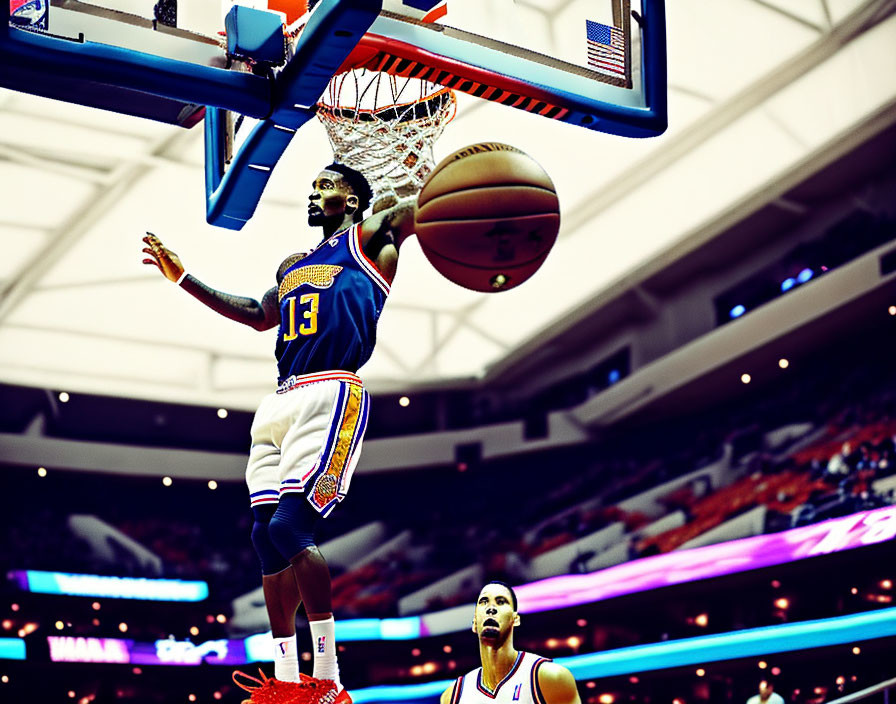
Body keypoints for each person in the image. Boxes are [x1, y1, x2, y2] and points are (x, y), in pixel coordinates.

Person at [142, 162, 415, 704]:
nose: (313, 194)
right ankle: (288, 683)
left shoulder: (372, 238)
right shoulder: (294, 264)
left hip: (332, 387)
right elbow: (257, 314)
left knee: (292, 528)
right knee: (264, 537)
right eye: (312, 187)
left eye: (327, 187)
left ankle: (330, 679)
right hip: (279, 397)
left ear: (355, 201)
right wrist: (184, 278)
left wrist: (425, 178)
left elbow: (419, 210)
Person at [440, 582, 581, 704]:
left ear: (516, 619)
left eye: (501, 601)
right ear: (474, 623)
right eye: (483, 601)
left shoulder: (549, 678)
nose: (491, 608)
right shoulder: (453, 696)